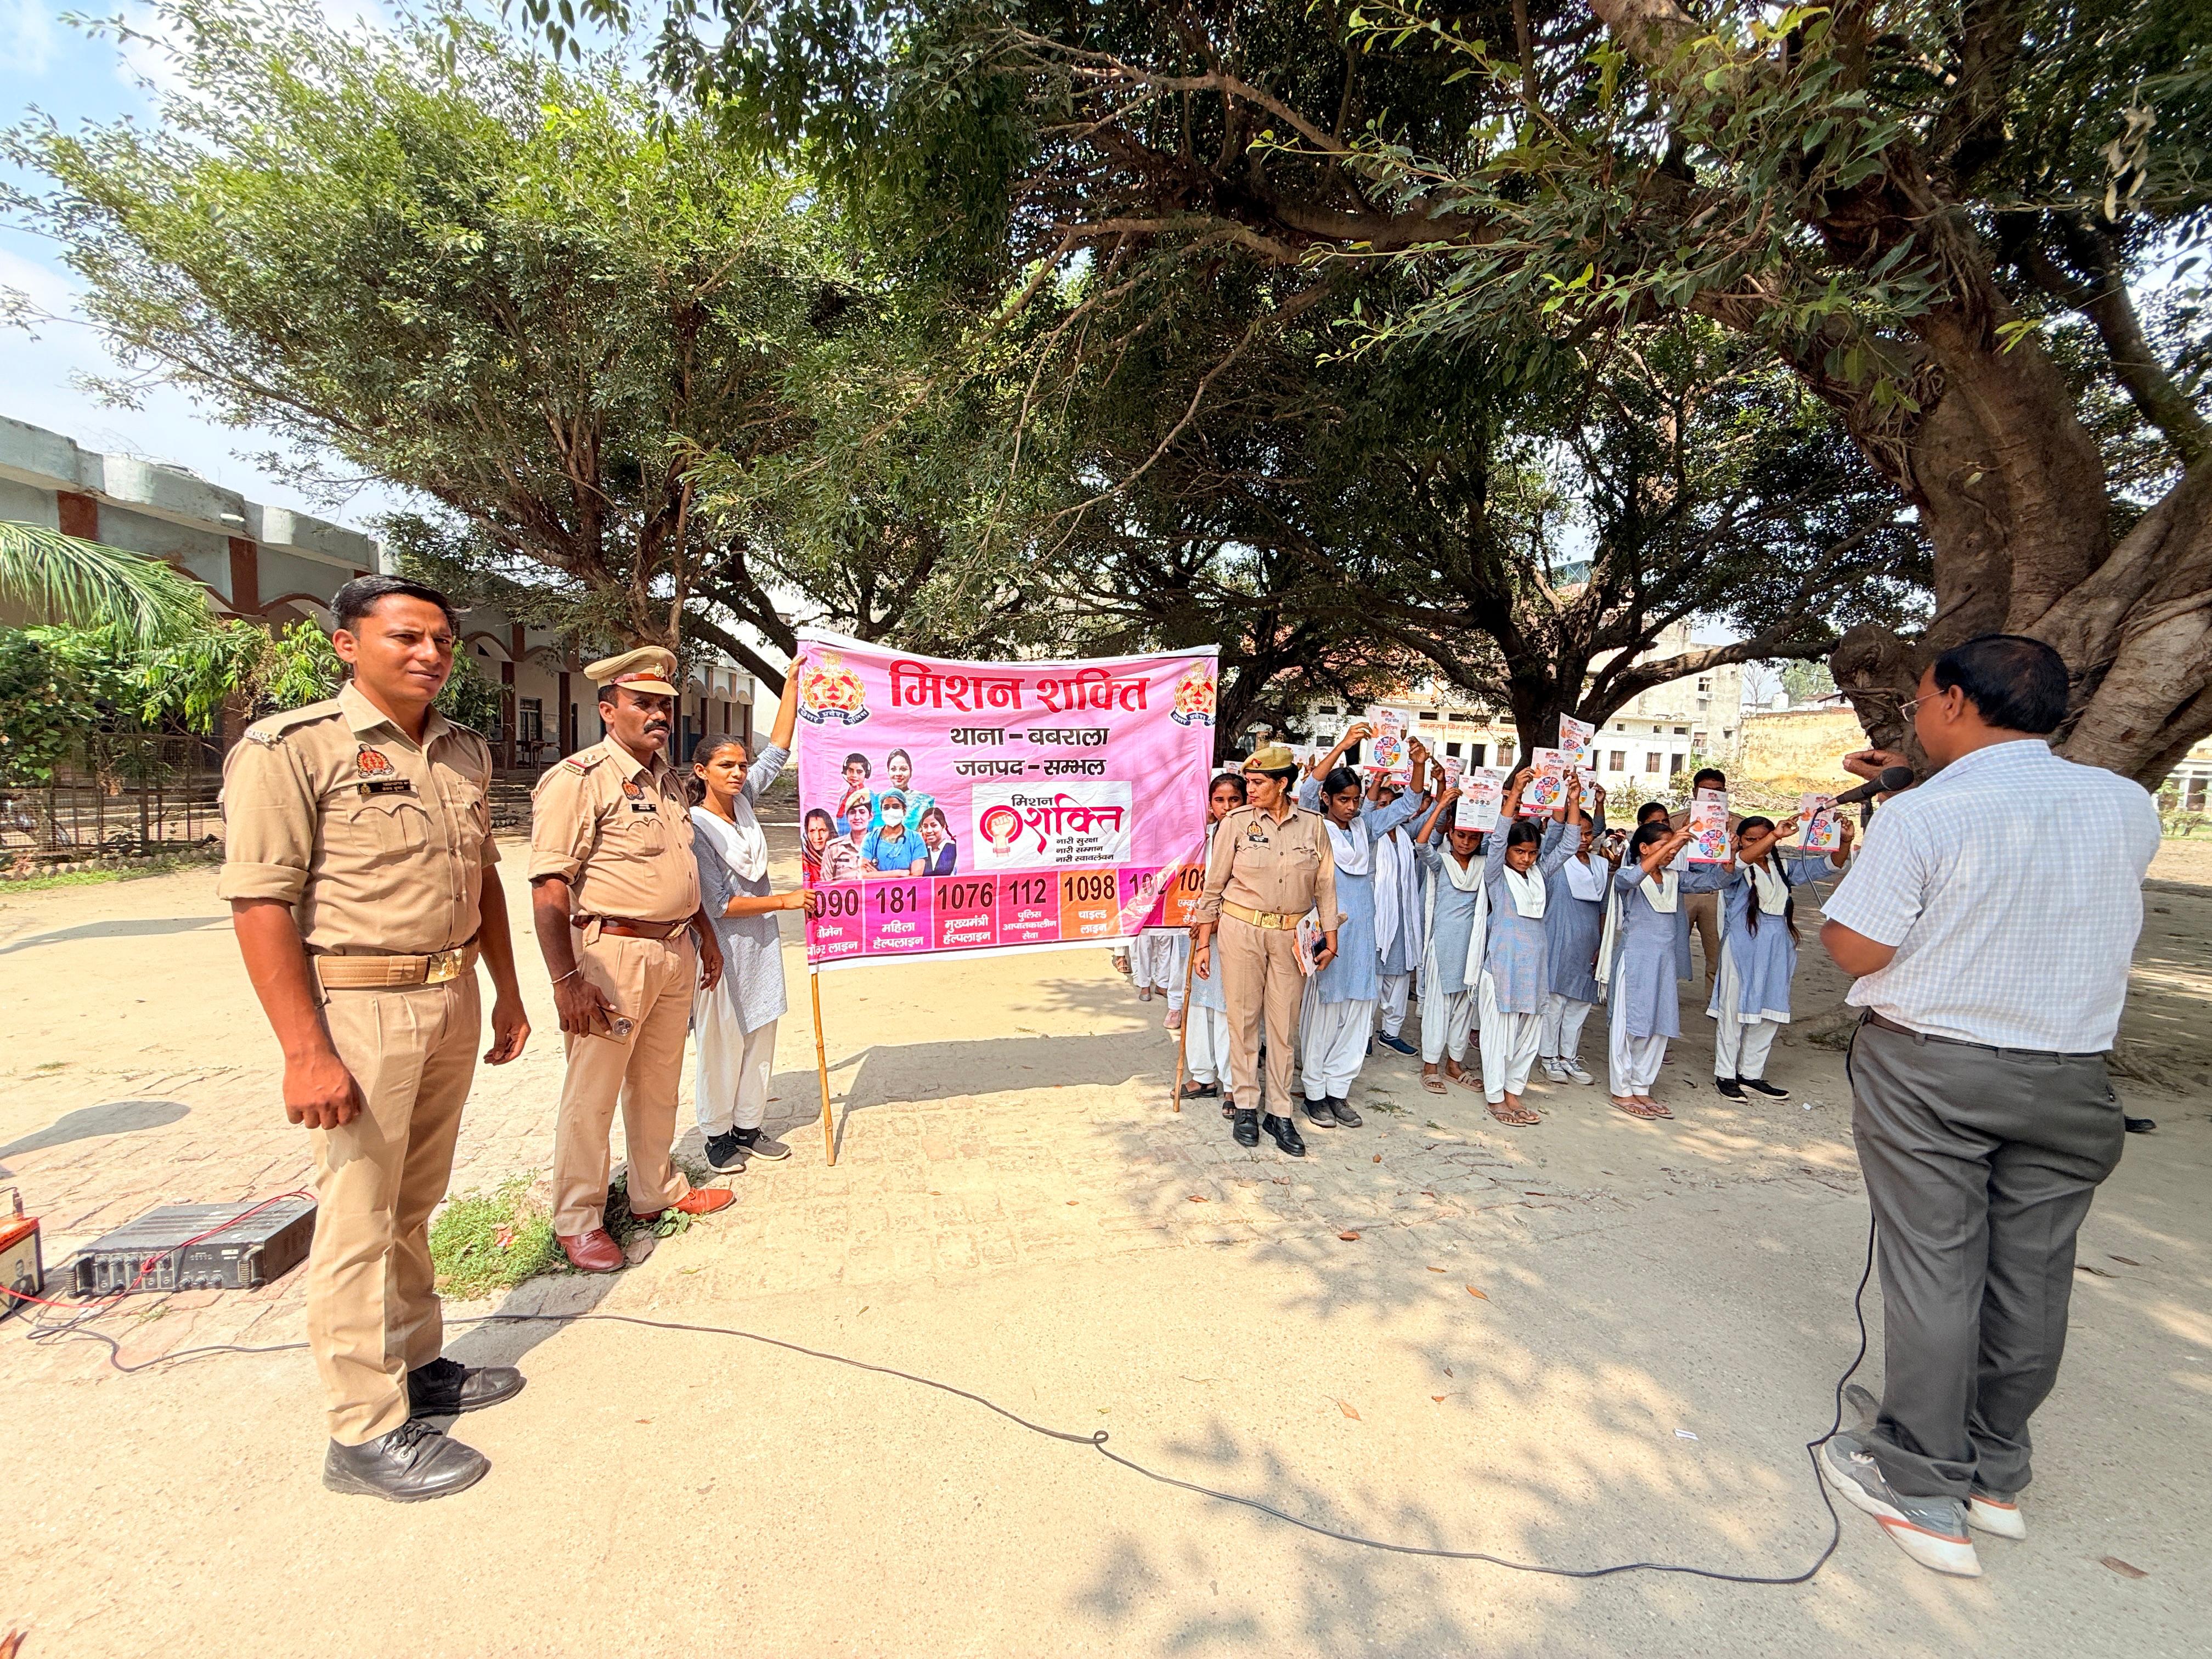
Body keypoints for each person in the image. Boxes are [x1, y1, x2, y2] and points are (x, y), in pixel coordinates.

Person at [1814, 635, 2160, 1579]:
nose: (1916, 716)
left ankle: (1920, 1479)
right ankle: (1994, 1472)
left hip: (1936, 1070)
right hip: (2070, 1074)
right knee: (2033, 1274)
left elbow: (1856, 947)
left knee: (1935, 1265)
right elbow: (2025, 851)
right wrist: (1903, 784)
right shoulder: (2126, 804)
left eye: (1920, 700)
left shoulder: (1924, 818)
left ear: (1957, 701)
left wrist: (1899, 811)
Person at [220, 574, 531, 1502]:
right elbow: (260, 903)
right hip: (361, 1007)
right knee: (358, 1215)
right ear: (348, 644)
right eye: (407, 637)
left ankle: (417, 1361)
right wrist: (304, 1051)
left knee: (414, 1199)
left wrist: (507, 992)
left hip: (450, 994)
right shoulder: (293, 748)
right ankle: (362, 1429)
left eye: (443, 640)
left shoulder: (463, 751)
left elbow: (482, 879)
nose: (431, 654)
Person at [530, 646, 734, 1274]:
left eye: (664, 705)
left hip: (674, 949)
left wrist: (703, 933)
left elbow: (680, 869)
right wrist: (566, 980)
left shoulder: (669, 782)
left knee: (658, 1081)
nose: (658, 715)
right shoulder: (579, 779)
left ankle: (655, 1191)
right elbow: (550, 887)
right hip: (612, 954)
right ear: (607, 710)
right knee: (592, 1092)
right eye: (642, 703)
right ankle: (578, 1218)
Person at [1192, 743, 1341, 1157]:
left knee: (1283, 1026)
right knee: (1243, 1020)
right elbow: (1213, 885)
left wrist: (1331, 937)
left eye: (1258, 783)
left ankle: (1279, 1112)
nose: (1251, 789)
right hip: (1241, 931)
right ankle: (1245, 1105)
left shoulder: (1313, 825)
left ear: (1283, 783)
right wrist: (1203, 942)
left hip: (1292, 937)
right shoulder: (1236, 824)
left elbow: (1326, 885)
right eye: (1249, 782)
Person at [689, 675, 812, 1175]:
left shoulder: (744, 805)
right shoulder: (696, 827)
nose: (738, 773)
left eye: (742, 765)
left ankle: (748, 1125)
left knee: (762, 1030)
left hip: (760, 942)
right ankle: (716, 1133)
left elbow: (778, 750)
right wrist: (784, 900)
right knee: (722, 1040)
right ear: (702, 771)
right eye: (727, 765)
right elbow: (717, 904)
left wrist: (792, 686)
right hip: (720, 948)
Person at [1295, 730, 1422, 1130]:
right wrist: (1344, 745)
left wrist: (1418, 764)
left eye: (1355, 800)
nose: (1351, 807)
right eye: (1343, 800)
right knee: (1324, 1015)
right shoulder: (1313, 826)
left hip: (1364, 936)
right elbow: (1307, 789)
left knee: (1356, 1016)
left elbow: (1410, 804)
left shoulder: (1366, 827)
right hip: (1328, 934)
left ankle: (1338, 1090)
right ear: (1328, 800)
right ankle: (1314, 1093)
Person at [1705, 811, 1850, 1100]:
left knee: (1770, 1009)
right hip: (1743, 947)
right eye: (1751, 839)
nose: (1759, 844)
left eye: (1764, 838)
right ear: (1739, 840)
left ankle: (1751, 1073)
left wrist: (1845, 841)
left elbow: (1829, 865)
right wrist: (1773, 836)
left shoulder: (1782, 867)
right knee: (1734, 1010)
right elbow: (1741, 861)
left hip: (1777, 947)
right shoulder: (1732, 867)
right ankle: (1725, 1074)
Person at [1598, 819, 1733, 1118]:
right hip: (1636, 960)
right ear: (1644, 848)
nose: (1672, 852)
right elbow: (1633, 879)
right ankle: (1622, 1090)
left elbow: (1715, 881)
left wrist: (1731, 853)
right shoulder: (1627, 874)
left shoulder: (1675, 878)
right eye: (1665, 846)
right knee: (1628, 1025)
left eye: (1674, 847)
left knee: (1658, 1024)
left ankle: (1642, 1086)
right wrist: (1672, 844)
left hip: (1664, 962)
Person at [1475, 770, 1584, 1125]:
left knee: (1528, 1036)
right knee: (1499, 1035)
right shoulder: (1496, 874)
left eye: (1532, 853)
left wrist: (1573, 800)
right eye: (1519, 852)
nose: (1526, 858)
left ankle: (1514, 1093)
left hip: (1534, 966)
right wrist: (1516, 792)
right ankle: (1496, 1097)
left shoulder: (1540, 874)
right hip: (1502, 966)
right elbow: (1497, 840)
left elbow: (1568, 845)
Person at [1410, 781, 1488, 1096]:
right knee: (1438, 1008)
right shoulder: (1442, 862)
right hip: (1443, 946)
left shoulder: (1485, 866)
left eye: (1473, 837)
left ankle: (1455, 1065)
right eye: (1461, 835)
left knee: (1464, 1008)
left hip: (1472, 949)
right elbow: (1421, 844)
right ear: (1451, 834)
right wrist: (1441, 805)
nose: (1466, 842)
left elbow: (1499, 844)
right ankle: (1430, 1066)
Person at [1180, 771, 1248, 1113]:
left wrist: (1216, 922)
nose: (1226, 807)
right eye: (1219, 800)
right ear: (1209, 804)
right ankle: (1203, 1076)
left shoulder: (1250, 840)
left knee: (1228, 1008)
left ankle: (1234, 1085)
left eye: (1234, 800)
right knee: (1198, 1002)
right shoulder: (1201, 840)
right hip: (1197, 930)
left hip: (1232, 931)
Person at [1538, 786, 1616, 1085]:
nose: (1583, 839)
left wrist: (1601, 943)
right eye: (1579, 833)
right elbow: (1557, 833)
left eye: (1588, 834)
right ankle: (1548, 1057)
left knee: (1580, 1002)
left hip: (1587, 942)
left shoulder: (1601, 865)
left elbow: (1604, 908)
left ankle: (1568, 1056)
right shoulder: (1556, 861)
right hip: (1558, 936)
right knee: (1555, 1000)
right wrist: (1568, 799)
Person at [1371, 741, 1430, 1056]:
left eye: (1388, 805)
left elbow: (1422, 809)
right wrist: (1376, 780)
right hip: (1376, 921)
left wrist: (1422, 769)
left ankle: (1390, 1033)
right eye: (1380, 805)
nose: (1385, 810)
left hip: (1403, 920)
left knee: (1398, 978)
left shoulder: (1406, 835)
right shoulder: (1367, 834)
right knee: (1371, 980)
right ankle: (1363, 1034)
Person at [1670, 766, 1741, 988]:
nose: (1712, 796)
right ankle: (1666, 1000)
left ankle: (1715, 1002)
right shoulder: (1676, 821)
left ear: (1725, 792)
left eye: (1717, 791)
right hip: (1684, 892)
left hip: (1719, 894)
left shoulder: (1738, 824)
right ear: (1694, 792)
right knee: (1672, 950)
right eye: (1705, 791)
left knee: (1719, 955)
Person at [861, 789, 928, 874]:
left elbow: (916, 877)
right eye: (886, 808)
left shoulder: (915, 839)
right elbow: (864, 874)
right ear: (882, 812)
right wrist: (899, 873)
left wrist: (876, 874)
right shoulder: (870, 839)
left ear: (904, 811)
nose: (891, 811)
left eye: (896, 807)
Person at [821, 791, 872, 884]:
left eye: (862, 812)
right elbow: (825, 885)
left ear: (870, 816)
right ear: (847, 817)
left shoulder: (880, 847)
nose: (857, 817)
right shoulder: (833, 848)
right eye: (852, 813)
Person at [883, 748, 936, 827]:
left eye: (903, 769)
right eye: (893, 769)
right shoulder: (878, 801)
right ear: (888, 772)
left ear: (911, 771)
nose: (898, 774)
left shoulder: (925, 801)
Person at [917, 805, 959, 875]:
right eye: (925, 826)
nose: (929, 831)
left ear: (943, 826)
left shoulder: (955, 849)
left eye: (934, 825)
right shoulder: (921, 852)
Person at [800, 807, 836, 884]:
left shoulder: (842, 856)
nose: (818, 837)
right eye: (812, 831)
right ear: (807, 833)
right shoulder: (805, 861)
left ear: (831, 832)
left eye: (823, 830)